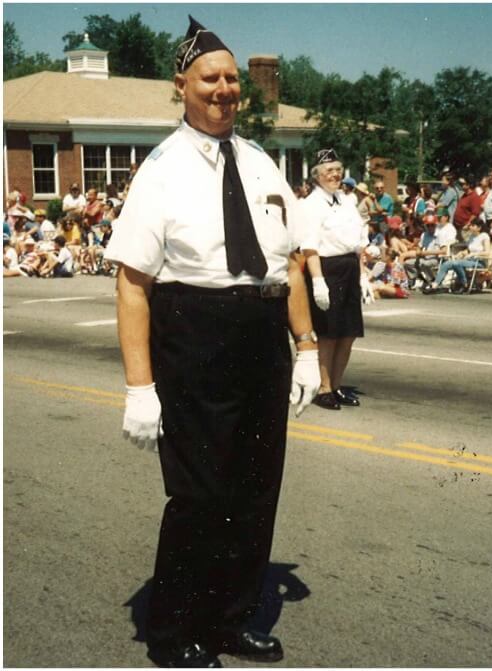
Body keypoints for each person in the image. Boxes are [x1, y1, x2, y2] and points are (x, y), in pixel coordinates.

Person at [102, 16, 320, 668]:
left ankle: (230, 618)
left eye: (231, 79)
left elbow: (289, 264)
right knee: (201, 494)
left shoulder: (260, 163)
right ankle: (173, 629)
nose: (225, 89)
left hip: (261, 334)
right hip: (194, 334)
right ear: (182, 85)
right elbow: (132, 284)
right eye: (210, 79)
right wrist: (140, 387)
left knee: (256, 488)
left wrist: (306, 346)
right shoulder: (160, 171)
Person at [299, 148, 368, 411]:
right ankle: (323, 388)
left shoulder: (347, 201)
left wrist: (364, 277)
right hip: (327, 269)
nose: (335, 175)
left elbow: (358, 242)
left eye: (338, 170)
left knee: (348, 332)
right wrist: (318, 282)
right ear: (317, 176)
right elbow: (310, 247)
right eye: (329, 171)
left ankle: (337, 386)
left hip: (349, 267)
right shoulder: (310, 205)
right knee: (327, 334)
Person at [422, 217, 490, 294]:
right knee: (446, 264)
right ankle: (435, 285)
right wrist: (462, 253)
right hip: (468, 260)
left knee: (456, 263)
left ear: (479, 228)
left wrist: (474, 254)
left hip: (479, 262)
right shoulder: (472, 237)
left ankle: (464, 283)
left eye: (472, 225)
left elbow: (487, 252)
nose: (470, 227)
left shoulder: (484, 236)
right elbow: (468, 250)